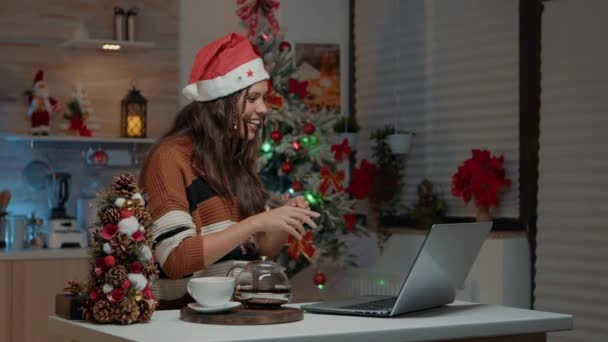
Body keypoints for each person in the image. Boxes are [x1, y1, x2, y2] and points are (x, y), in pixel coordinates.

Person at [141, 33, 320, 309]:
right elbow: (175, 259)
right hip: (181, 322)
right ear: (220, 103)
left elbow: (259, 249)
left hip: (232, 316)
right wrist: (256, 222)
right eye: (252, 98)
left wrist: (282, 221)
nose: (263, 109)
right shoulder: (169, 158)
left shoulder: (234, 162)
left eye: (264, 98)